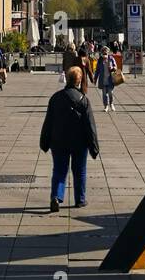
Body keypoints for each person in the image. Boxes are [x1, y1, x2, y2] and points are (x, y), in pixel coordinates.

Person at [39, 66, 100, 212]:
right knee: (80, 170)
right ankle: (80, 199)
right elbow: (90, 126)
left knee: (59, 170)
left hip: (58, 141)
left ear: (67, 78)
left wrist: (44, 141)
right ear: (79, 81)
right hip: (79, 142)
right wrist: (94, 147)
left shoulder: (55, 98)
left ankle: (56, 196)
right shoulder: (83, 100)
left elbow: (49, 122)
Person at [96, 45, 117, 113]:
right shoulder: (100, 60)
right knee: (104, 94)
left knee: (110, 93)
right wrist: (95, 78)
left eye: (106, 52)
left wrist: (113, 68)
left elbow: (115, 66)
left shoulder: (111, 58)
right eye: (104, 52)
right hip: (103, 79)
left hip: (110, 79)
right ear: (102, 53)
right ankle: (106, 106)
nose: (105, 54)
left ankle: (111, 104)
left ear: (108, 52)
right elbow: (97, 70)